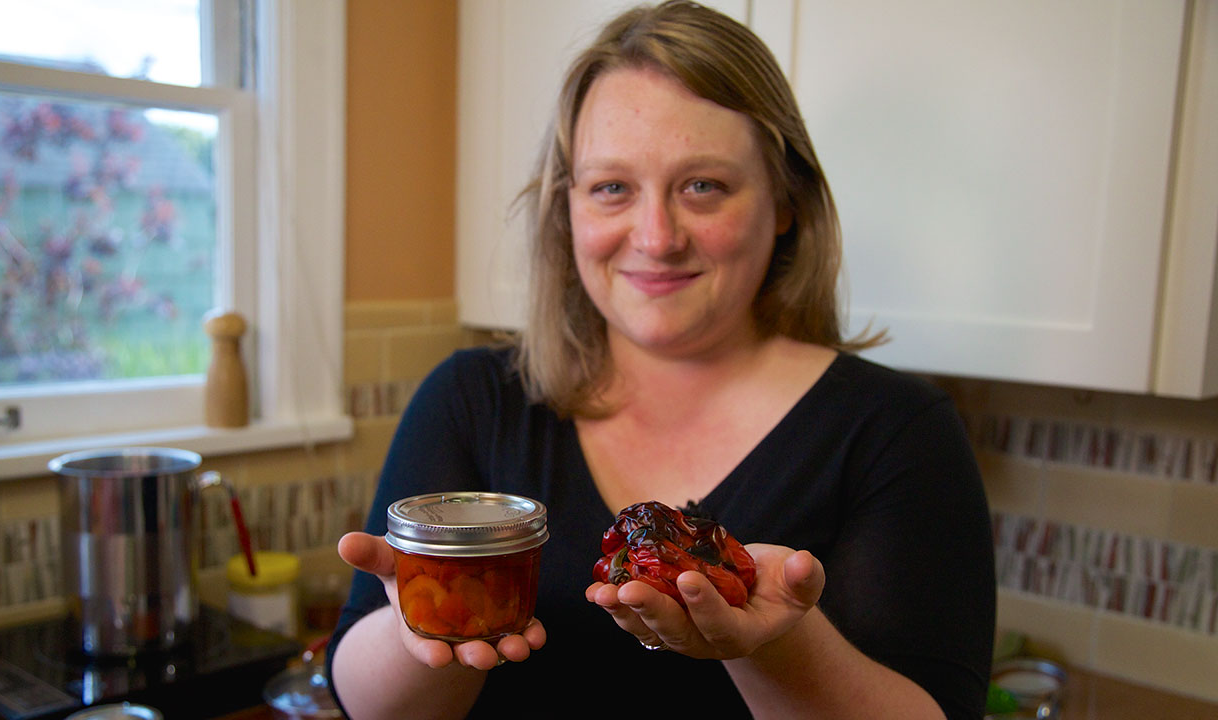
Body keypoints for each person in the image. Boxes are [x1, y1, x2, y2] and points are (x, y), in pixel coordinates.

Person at [327, 2, 996, 718]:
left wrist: (772, 641)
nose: (655, 236)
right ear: (569, 209)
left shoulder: (897, 433)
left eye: (702, 186)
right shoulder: (472, 400)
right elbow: (375, 709)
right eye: (612, 187)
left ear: (786, 201)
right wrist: (427, 616)